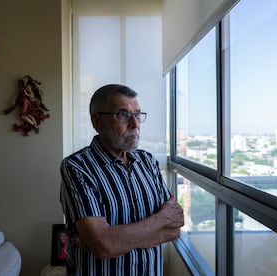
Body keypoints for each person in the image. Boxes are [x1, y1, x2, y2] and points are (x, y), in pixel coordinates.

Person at [60, 84, 184, 275]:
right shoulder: (77, 167)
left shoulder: (147, 161)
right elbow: (104, 246)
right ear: (97, 121)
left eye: (138, 114)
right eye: (123, 115)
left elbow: (175, 228)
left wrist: (113, 241)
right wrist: (161, 219)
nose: (135, 124)